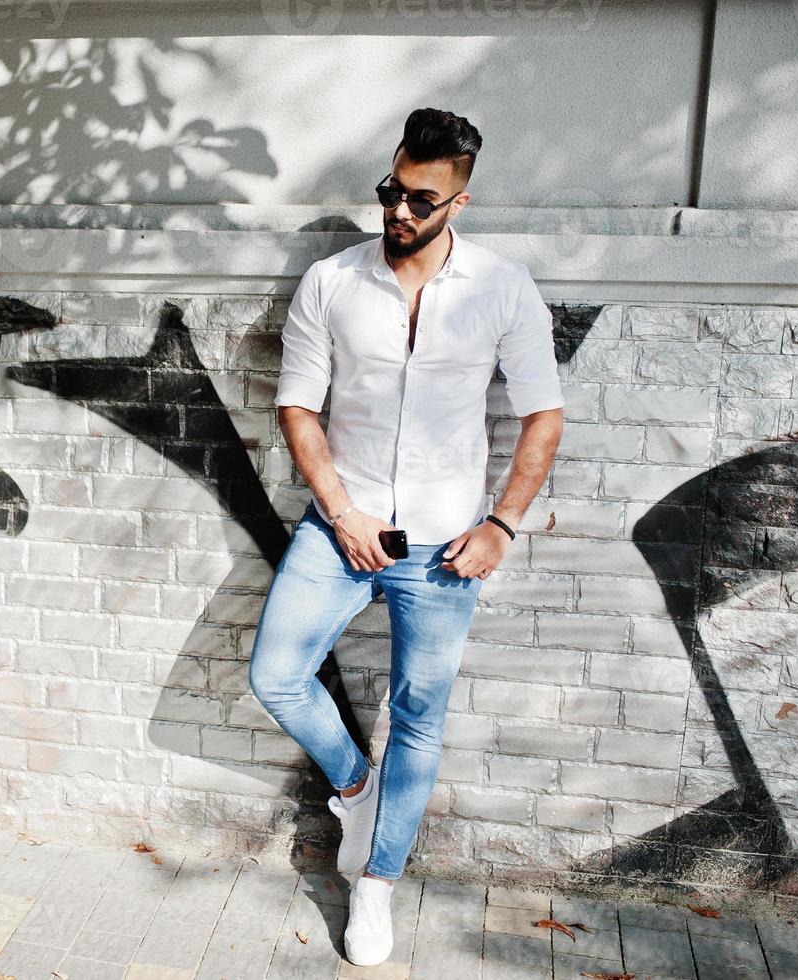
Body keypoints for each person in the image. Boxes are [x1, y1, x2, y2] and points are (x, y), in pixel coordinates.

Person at [248, 107, 565, 967]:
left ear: (457, 203)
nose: (398, 212)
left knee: (418, 719)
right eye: (390, 191)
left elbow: (543, 413)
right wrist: (342, 513)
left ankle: (376, 887)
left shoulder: (502, 289)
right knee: (274, 673)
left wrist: (501, 524)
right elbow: (296, 406)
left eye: (420, 200)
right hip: (340, 526)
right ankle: (355, 786)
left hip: (444, 547)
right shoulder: (331, 282)